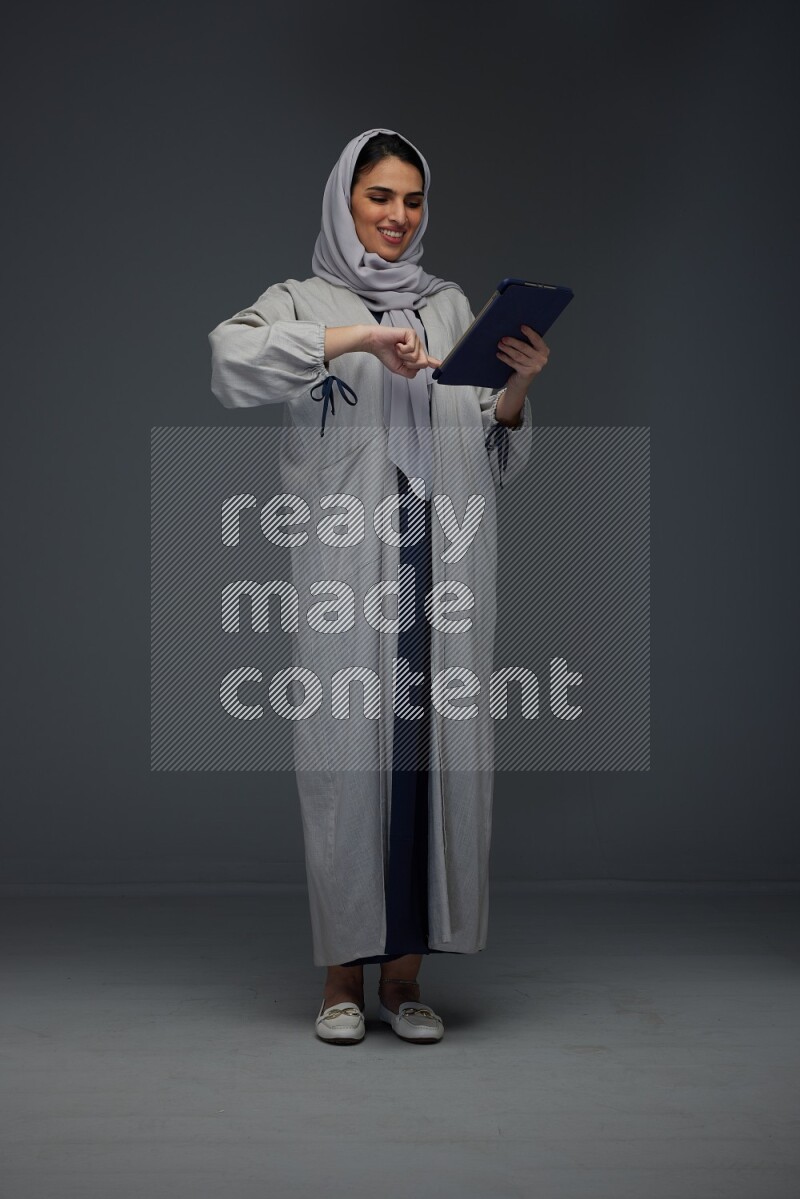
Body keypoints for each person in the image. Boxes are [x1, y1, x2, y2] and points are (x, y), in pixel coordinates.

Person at [208, 127, 549, 1045]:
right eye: (379, 198)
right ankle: (339, 980)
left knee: (428, 763)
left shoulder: (447, 306)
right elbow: (227, 361)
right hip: (347, 569)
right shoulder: (299, 299)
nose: (397, 217)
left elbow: (491, 446)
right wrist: (359, 337)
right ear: (343, 201)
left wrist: (514, 388)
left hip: (440, 562)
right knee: (344, 762)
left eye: (412, 200)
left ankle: (404, 978)